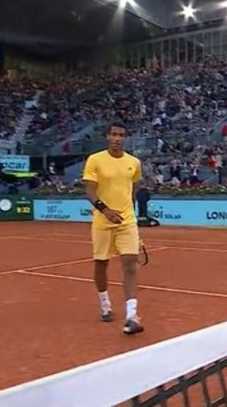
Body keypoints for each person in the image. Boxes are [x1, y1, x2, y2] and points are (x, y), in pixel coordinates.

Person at [82, 122, 144, 334]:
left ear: (125, 138)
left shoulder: (134, 162)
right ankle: (105, 303)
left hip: (126, 221)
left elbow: (133, 189)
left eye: (121, 135)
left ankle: (132, 315)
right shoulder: (95, 160)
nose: (117, 138)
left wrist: (129, 213)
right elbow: (89, 191)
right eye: (114, 134)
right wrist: (105, 210)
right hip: (102, 221)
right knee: (101, 264)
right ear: (107, 136)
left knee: (130, 265)